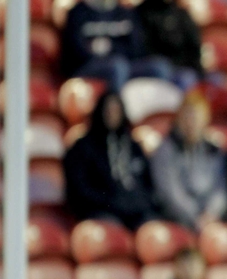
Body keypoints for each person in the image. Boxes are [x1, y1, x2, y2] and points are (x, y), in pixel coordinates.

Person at [63, 92, 160, 230]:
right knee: (111, 232)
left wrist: (140, 202)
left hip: (136, 211)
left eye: (116, 110)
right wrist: (110, 201)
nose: (111, 114)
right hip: (102, 210)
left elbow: (148, 184)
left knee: (154, 229)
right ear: (99, 111)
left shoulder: (133, 146)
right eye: (108, 110)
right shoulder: (83, 147)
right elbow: (79, 190)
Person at [150, 92, 227, 231]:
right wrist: (195, 217)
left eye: (197, 117)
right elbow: (170, 193)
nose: (191, 122)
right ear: (178, 119)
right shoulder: (165, 150)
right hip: (178, 216)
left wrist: (211, 214)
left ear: (206, 120)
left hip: (210, 217)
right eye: (187, 117)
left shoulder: (214, 150)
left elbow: (221, 189)